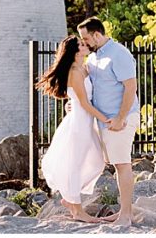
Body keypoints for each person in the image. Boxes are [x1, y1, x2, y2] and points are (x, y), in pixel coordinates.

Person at [35, 35, 109, 222]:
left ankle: (70, 198)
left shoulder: (84, 68)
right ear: (75, 51)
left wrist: (70, 103)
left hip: (84, 120)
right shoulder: (75, 71)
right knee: (75, 164)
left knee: (97, 161)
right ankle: (77, 210)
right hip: (79, 123)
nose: (86, 46)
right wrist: (105, 119)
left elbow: (78, 97)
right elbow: (84, 102)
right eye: (82, 45)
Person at [78, 16, 140, 227]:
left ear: (97, 34)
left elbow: (131, 87)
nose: (83, 42)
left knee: (123, 165)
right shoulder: (94, 58)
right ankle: (123, 211)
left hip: (120, 119)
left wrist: (120, 118)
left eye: (85, 38)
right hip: (105, 122)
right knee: (116, 164)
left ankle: (126, 216)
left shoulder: (119, 54)